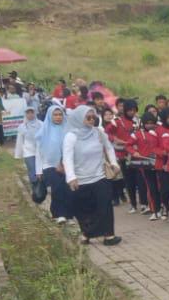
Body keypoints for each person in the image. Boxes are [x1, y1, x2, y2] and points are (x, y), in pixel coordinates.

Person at [63, 105, 121, 246]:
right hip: (81, 179)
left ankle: (109, 235)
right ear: (79, 119)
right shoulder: (71, 137)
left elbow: (109, 147)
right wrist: (71, 177)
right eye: (88, 118)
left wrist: (114, 163)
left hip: (100, 176)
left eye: (93, 117)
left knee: (105, 206)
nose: (91, 120)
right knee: (85, 209)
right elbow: (67, 158)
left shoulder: (99, 132)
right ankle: (86, 233)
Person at [37, 103, 72, 224]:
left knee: (67, 189)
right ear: (50, 116)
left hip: (66, 164)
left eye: (60, 115)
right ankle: (60, 214)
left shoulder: (68, 130)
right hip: (49, 165)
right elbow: (38, 152)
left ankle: (67, 214)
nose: (58, 117)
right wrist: (38, 170)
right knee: (57, 188)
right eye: (55, 115)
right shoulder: (44, 131)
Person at [12, 107, 42, 190]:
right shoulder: (22, 127)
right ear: (25, 114)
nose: (30, 115)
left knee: (40, 169)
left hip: (40, 151)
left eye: (32, 112)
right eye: (28, 113)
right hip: (28, 151)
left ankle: (41, 186)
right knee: (32, 168)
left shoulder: (41, 124)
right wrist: (18, 154)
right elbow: (19, 141)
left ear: (35, 113)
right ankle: (35, 187)